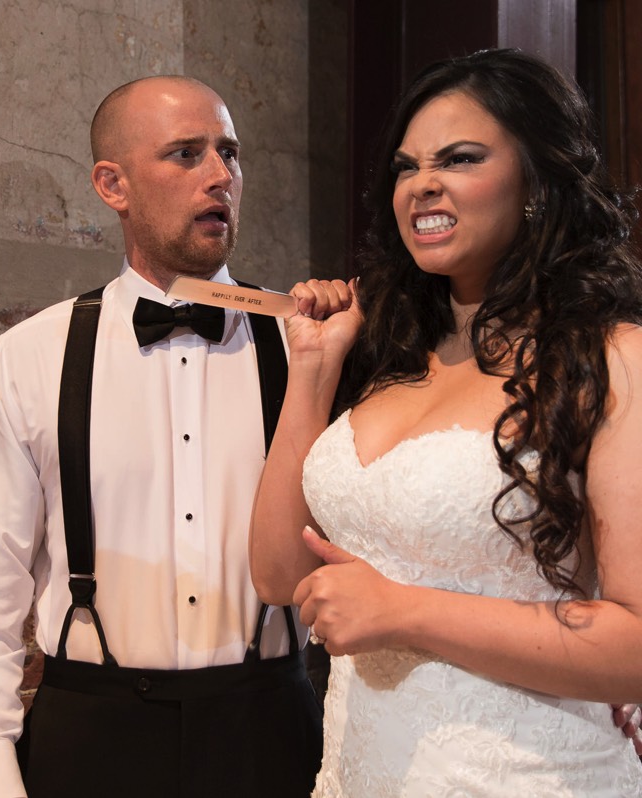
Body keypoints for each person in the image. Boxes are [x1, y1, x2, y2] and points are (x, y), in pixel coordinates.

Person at [0, 75, 342, 797]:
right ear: (112, 185)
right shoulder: (30, 358)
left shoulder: (311, 351)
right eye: (186, 154)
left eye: (229, 153)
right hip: (90, 739)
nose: (220, 177)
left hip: (271, 731)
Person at [249, 48, 642, 795]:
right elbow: (278, 575)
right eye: (406, 166)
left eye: (460, 159)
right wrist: (313, 373)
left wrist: (405, 613)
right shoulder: (391, 358)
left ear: (535, 180)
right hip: (359, 770)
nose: (422, 183)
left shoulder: (613, 358)